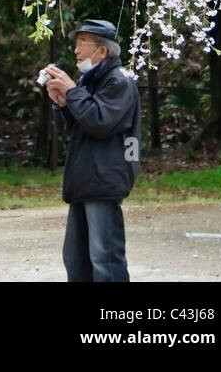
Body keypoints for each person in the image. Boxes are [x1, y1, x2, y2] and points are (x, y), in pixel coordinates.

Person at [45, 18, 141, 282]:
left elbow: (100, 121)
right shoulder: (89, 80)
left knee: (104, 257)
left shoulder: (119, 81)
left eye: (82, 43)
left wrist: (73, 92)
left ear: (103, 51)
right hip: (86, 178)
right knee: (76, 258)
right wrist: (62, 104)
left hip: (105, 177)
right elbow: (77, 128)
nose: (76, 51)